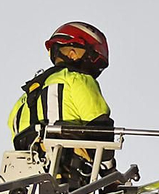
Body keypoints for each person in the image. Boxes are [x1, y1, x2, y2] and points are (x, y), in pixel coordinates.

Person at [7, 21, 114, 179]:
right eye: (92, 58)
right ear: (72, 53)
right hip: (70, 178)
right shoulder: (77, 80)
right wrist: (110, 173)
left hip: (27, 184)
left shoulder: (23, 99)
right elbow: (100, 129)